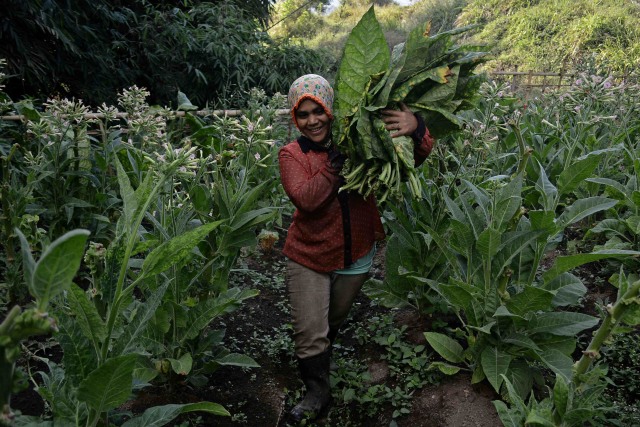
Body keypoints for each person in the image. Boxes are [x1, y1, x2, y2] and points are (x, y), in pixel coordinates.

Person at [278, 74, 434, 423]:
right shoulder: (292, 154)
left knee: (331, 321)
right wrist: (338, 158)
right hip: (310, 255)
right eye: (302, 115)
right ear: (294, 118)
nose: (312, 121)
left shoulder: (361, 136)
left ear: (329, 110)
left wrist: (415, 127)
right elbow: (308, 200)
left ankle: (321, 351)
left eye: (316, 111)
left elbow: (412, 157)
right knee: (310, 330)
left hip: (356, 250)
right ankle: (317, 394)